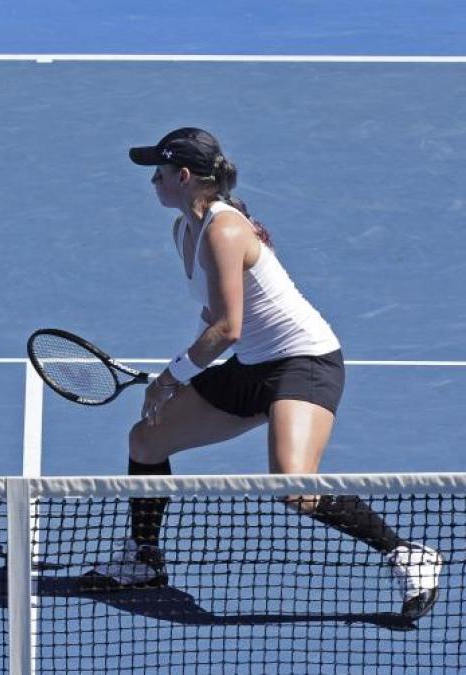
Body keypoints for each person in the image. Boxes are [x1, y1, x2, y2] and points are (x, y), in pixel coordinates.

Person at [84, 127, 442, 620]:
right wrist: (184, 368)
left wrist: (174, 376)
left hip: (304, 362)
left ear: (184, 176)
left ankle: (407, 554)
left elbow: (229, 329)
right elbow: (217, 316)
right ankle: (144, 558)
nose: (153, 181)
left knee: (294, 486)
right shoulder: (183, 230)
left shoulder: (225, 229)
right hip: (254, 365)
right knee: (146, 441)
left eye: (160, 172)